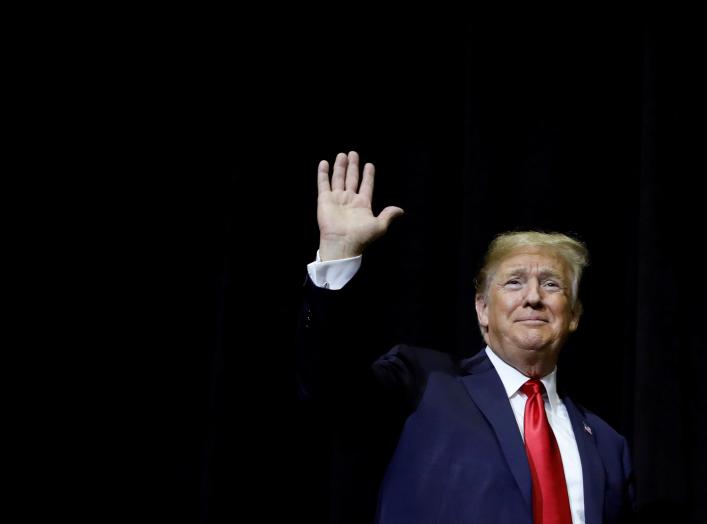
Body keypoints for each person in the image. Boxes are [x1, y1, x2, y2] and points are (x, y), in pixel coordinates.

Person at [297, 151, 635, 524]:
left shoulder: (606, 445)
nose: (533, 296)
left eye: (551, 284)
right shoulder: (424, 382)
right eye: (514, 282)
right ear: (482, 309)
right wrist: (339, 255)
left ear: (574, 315)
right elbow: (327, 386)